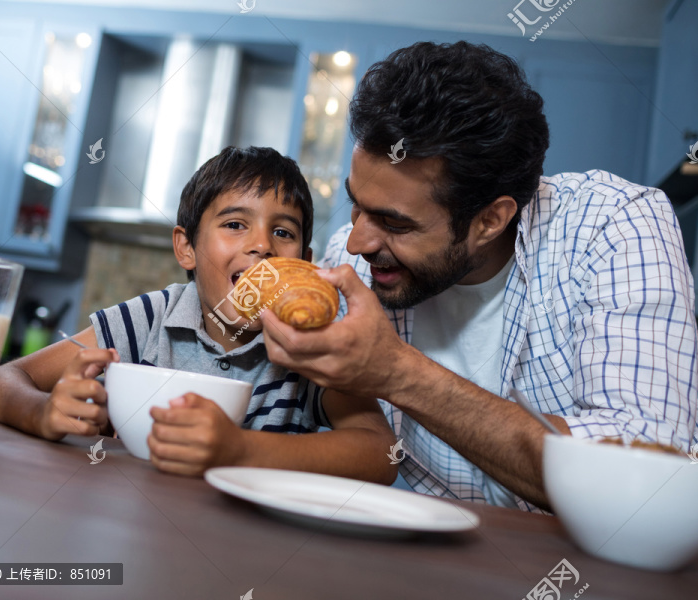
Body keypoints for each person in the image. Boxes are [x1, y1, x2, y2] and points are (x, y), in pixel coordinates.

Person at [260, 41, 698, 511]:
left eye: (395, 223)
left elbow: (645, 476)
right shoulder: (349, 266)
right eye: (356, 204)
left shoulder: (614, 225)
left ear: (491, 220)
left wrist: (396, 372)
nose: (355, 243)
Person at [0, 146, 397, 484]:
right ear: (186, 248)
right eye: (236, 224)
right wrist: (42, 412)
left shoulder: (310, 350)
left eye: (283, 232)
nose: (261, 245)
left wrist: (240, 450)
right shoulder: (147, 320)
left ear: (304, 263)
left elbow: (381, 453)